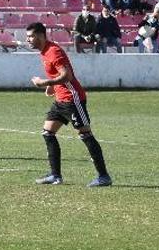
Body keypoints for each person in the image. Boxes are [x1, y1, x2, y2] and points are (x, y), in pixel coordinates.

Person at [25, 22, 113, 187]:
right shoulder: (44, 51)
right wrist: (52, 86)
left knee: (85, 135)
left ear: (41, 36)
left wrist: (45, 82)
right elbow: (57, 74)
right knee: (47, 133)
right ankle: (55, 175)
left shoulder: (54, 51)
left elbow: (67, 76)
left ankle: (103, 176)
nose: (28, 40)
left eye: (30, 36)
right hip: (60, 100)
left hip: (73, 99)